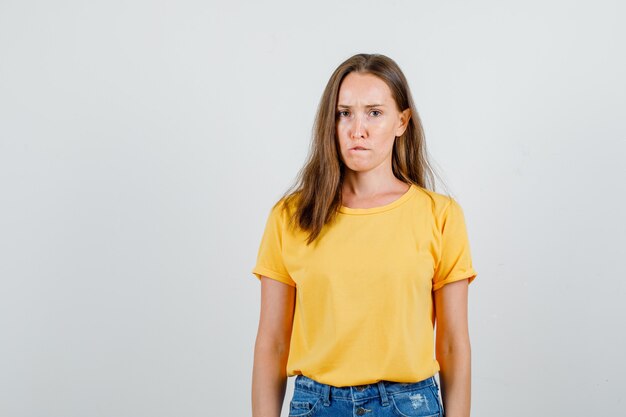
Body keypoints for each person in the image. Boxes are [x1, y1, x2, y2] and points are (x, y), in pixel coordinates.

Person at [250, 53, 477, 417]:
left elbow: (452, 344)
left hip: (409, 406)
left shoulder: (440, 215)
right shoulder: (291, 216)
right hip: (316, 405)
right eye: (344, 113)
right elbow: (273, 344)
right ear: (331, 122)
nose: (358, 129)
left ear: (402, 121)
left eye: (374, 112)